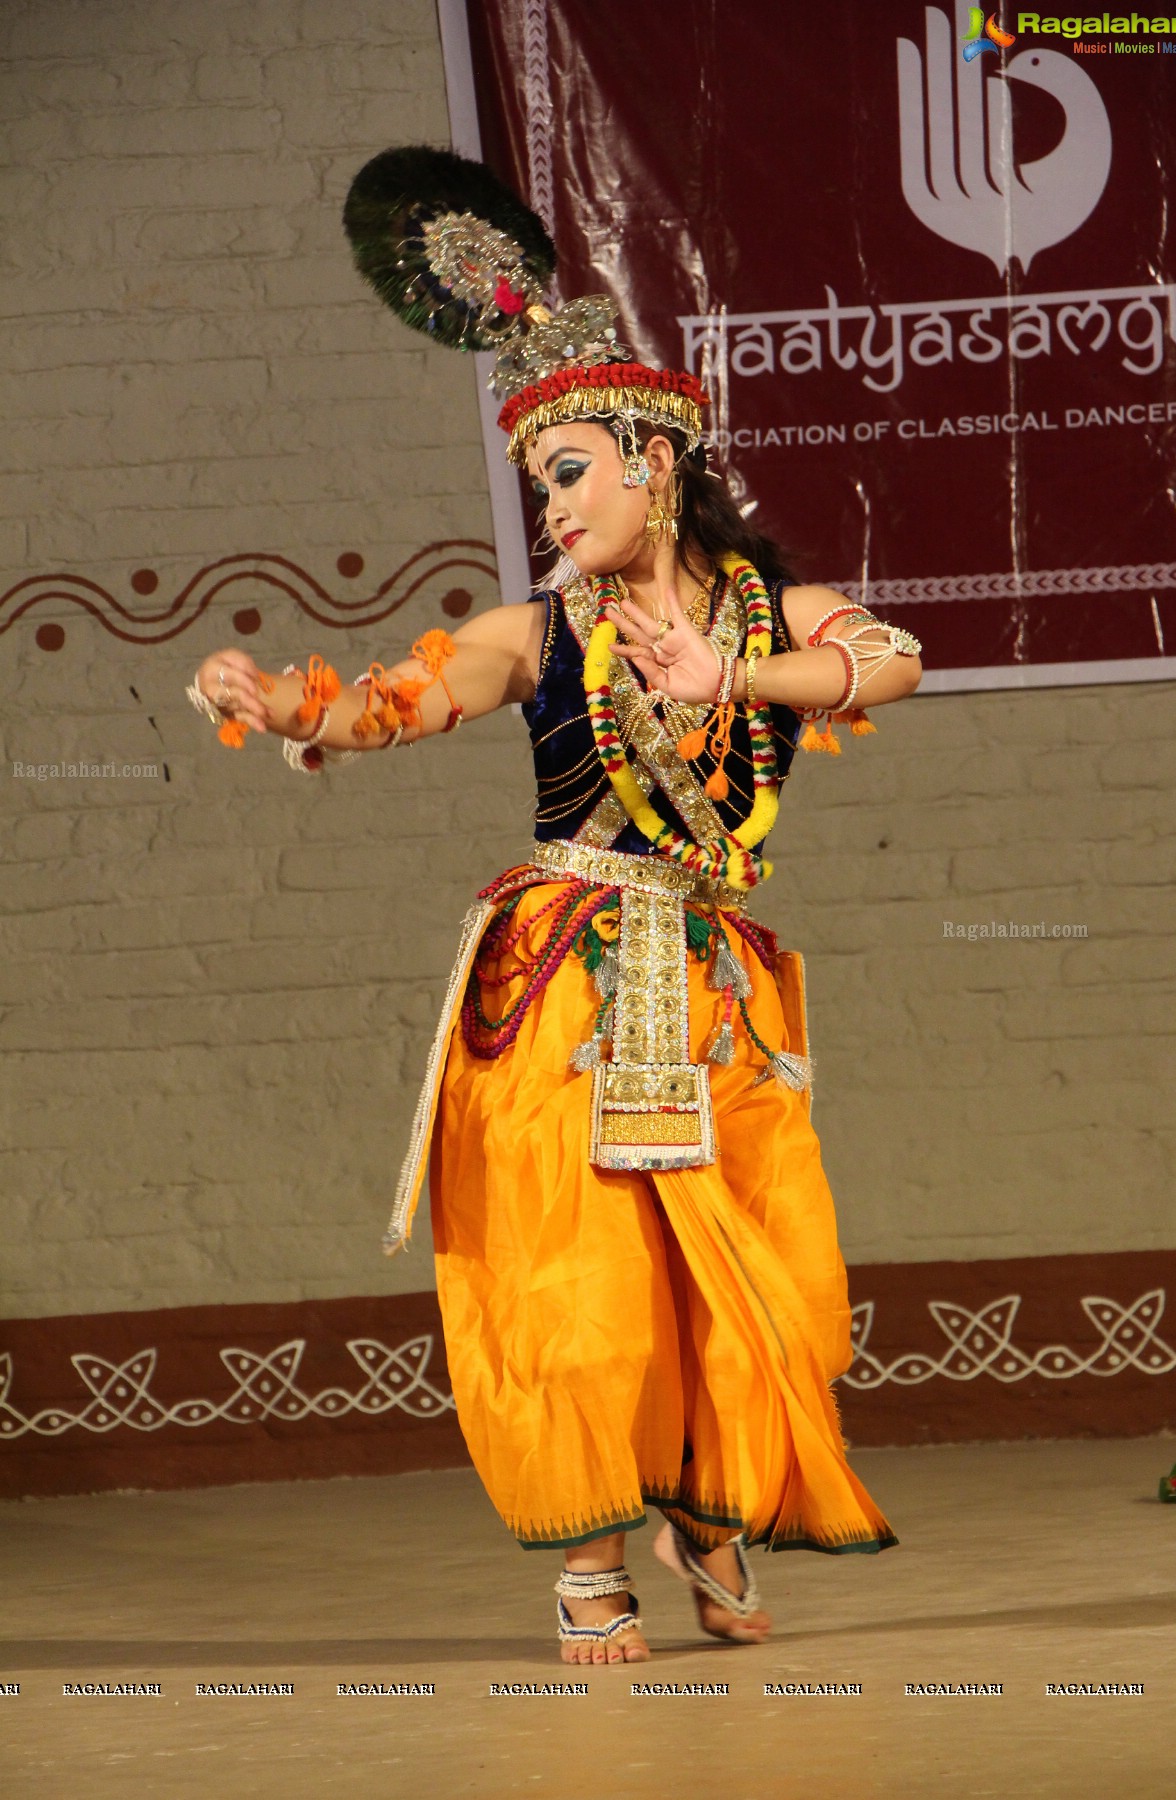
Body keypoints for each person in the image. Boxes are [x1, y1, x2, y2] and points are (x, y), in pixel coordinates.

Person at [189, 148, 921, 1667]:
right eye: (539, 486)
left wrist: (742, 678)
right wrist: (280, 707)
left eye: (570, 471)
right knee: (571, 1284)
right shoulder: (532, 634)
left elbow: (897, 661)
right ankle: (590, 1555)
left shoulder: (771, 616)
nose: (552, 506)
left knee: (760, 1283)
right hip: (560, 987)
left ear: (656, 459)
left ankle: (708, 1506)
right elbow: (398, 699)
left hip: (716, 985)